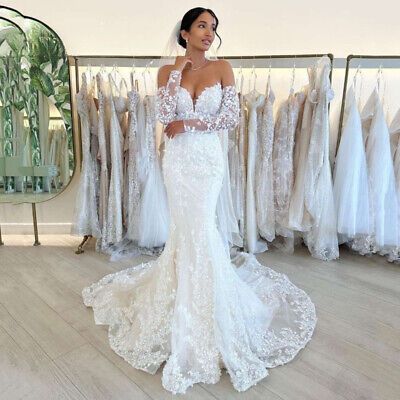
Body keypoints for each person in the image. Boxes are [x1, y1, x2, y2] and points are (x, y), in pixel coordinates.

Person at [82, 7, 317, 395]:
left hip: (207, 161)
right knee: (184, 228)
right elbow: (161, 113)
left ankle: (210, 304)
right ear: (185, 32)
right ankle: (179, 297)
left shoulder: (222, 68)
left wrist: (189, 123)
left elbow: (229, 119)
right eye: (202, 26)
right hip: (177, 163)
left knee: (202, 226)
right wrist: (177, 71)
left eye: (213, 28)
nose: (209, 33)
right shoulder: (166, 73)